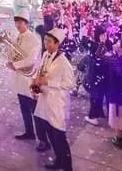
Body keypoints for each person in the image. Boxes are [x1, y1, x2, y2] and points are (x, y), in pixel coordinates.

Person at [33, 27, 75, 171]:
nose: (46, 43)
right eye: (45, 40)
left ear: (57, 44)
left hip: (57, 103)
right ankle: (59, 161)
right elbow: (41, 72)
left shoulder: (64, 63)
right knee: (50, 132)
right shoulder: (46, 55)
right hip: (45, 100)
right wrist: (36, 83)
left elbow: (70, 84)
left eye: (49, 41)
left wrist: (48, 82)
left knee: (59, 136)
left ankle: (68, 167)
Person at [6, 13, 43, 143]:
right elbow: (14, 53)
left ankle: (42, 139)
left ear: (26, 24)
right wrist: (9, 59)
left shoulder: (33, 39)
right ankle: (29, 132)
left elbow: (31, 59)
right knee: (24, 108)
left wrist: (15, 65)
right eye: (16, 23)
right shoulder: (17, 36)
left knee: (35, 110)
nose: (18, 25)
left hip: (29, 79)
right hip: (19, 79)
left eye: (20, 23)